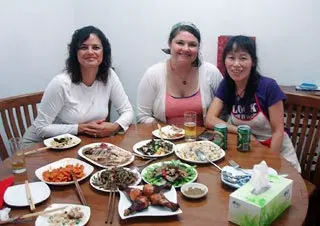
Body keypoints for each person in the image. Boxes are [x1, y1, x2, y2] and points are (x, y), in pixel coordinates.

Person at [23, 26, 134, 144]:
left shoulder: (109, 75)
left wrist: (115, 126)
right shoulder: (61, 83)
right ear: (75, 53)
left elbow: (127, 111)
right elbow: (40, 128)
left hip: (78, 142)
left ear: (104, 52)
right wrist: (80, 128)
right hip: (41, 144)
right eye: (83, 47)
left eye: (96, 47)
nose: (90, 52)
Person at [205, 35, 301, 172]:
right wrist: (240, 131)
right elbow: (210, 119)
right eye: (231, 57)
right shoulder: (227, 85)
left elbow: (278, 131)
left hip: (277, 151)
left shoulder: (268, 86)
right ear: (225, 61)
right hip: (246, 150)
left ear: (253, 62)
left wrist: (269, 165)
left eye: (243, 58)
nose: (236, 64)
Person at [137, 22, 223, 126]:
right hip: (165, 139)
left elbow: (224, 111)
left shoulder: (211, 72)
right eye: (180, 43)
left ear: (198, 47)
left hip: (203, 140)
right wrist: (169, 132)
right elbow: (143, 116)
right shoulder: (153, 74)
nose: (186, 49)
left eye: (192, 44)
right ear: (170, 44)